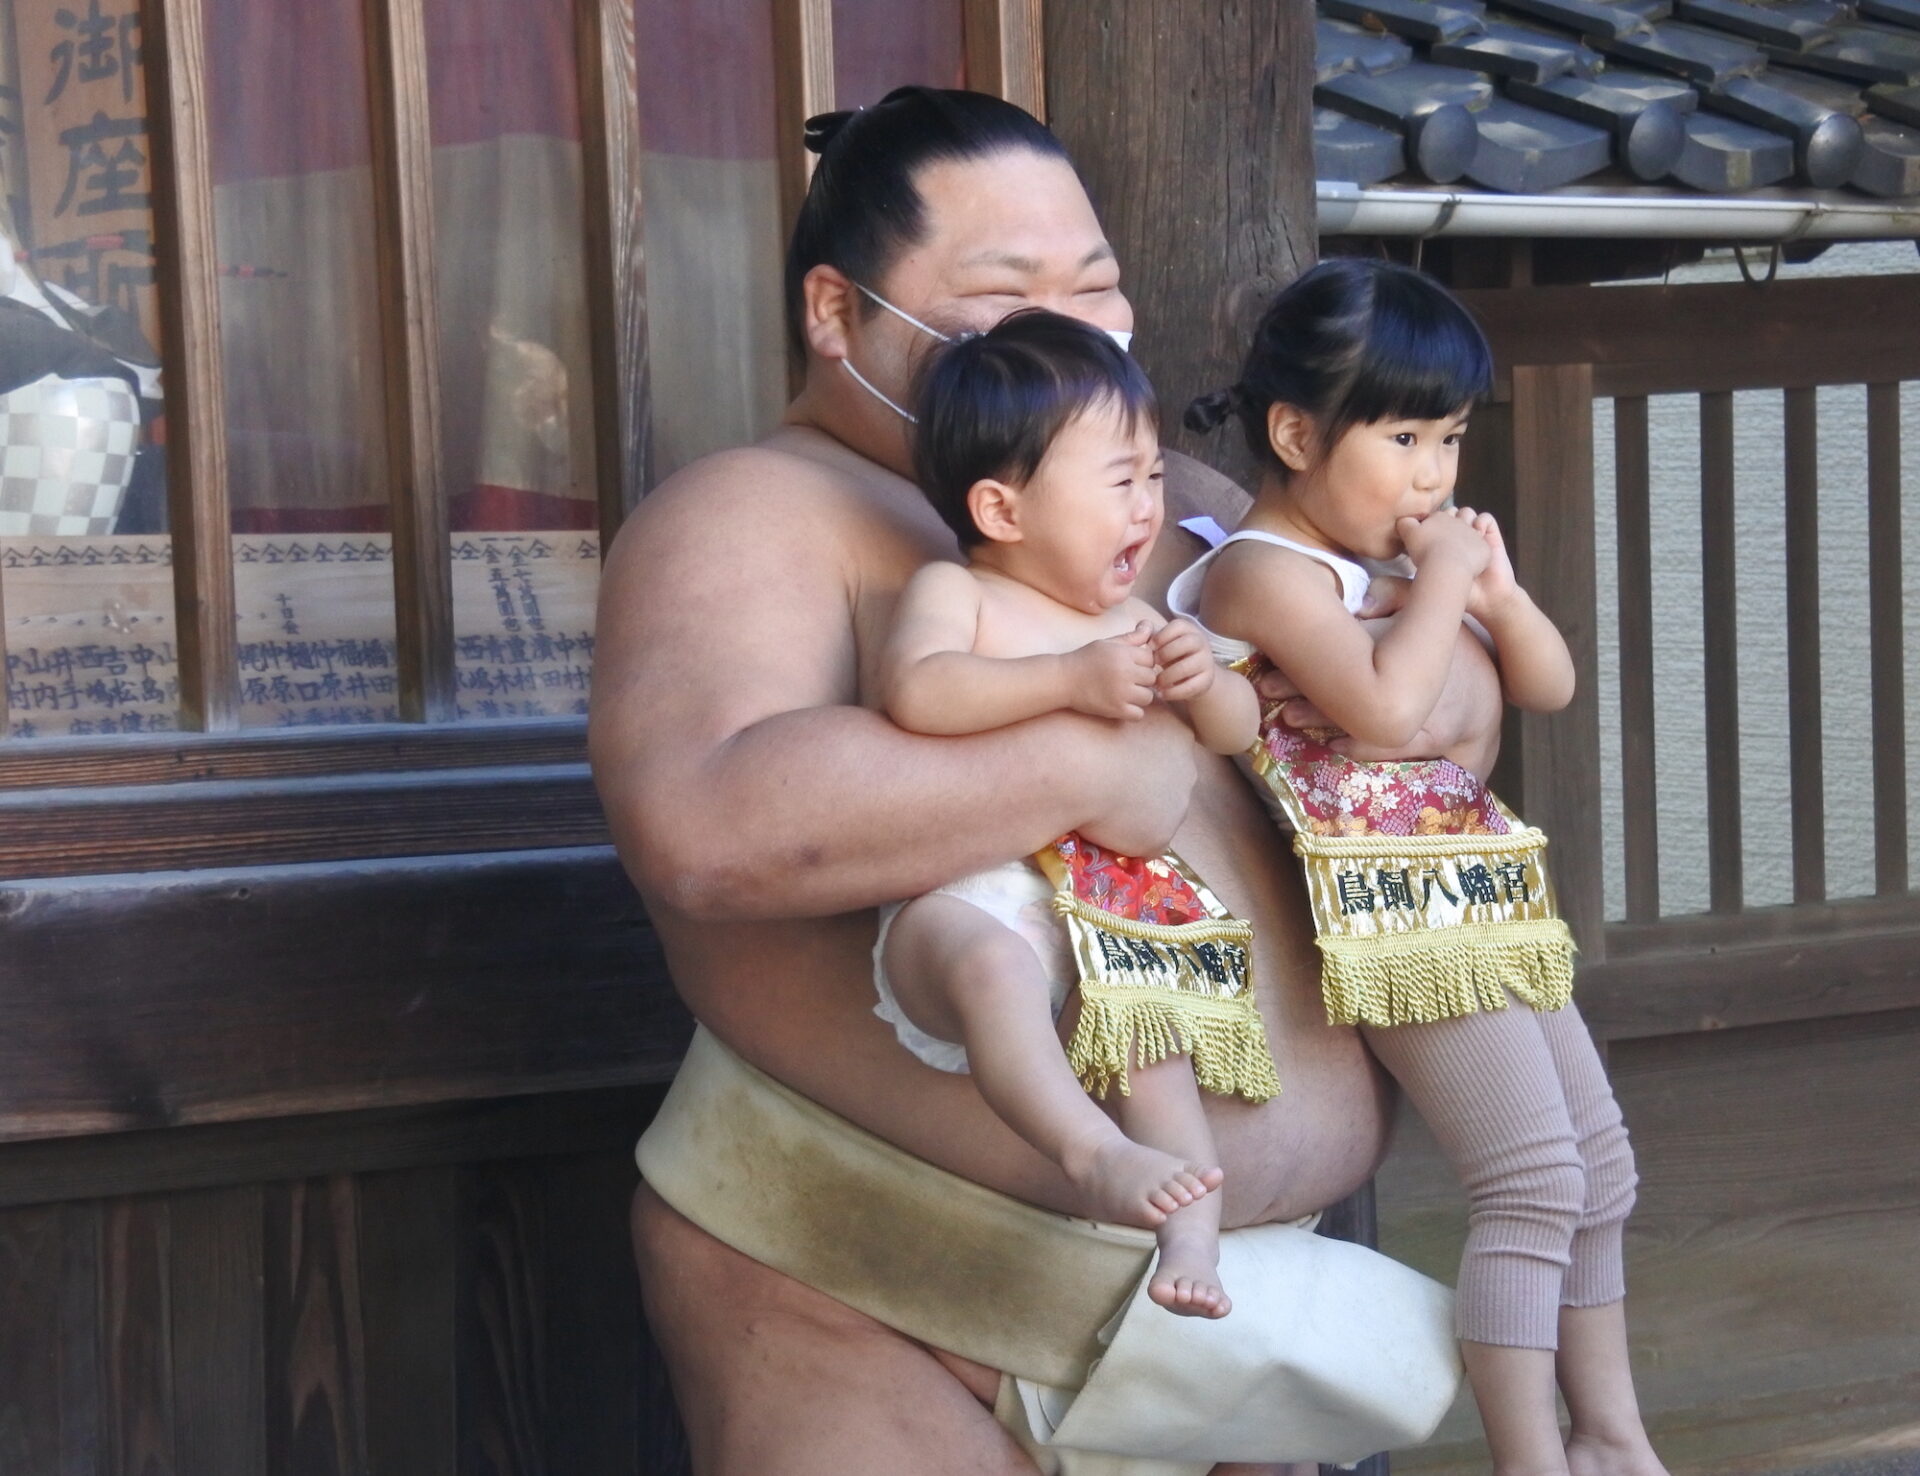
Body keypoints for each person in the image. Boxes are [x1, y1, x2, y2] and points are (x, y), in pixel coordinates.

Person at [590, 87, 1504, 1476]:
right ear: (840, 317)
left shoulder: (1183, 495)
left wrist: (1428, 683)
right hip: (880, 1314)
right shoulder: (761, 514)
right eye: (1004, 294)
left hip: (1246, 1333)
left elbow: (1451, 709)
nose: (1067, 327)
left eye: (1096, 286)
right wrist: (1090, 747)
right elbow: (714, 825)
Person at [1175, 257, 1666, 1476]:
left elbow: (1548, 682)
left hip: (1482, 882)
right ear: (1295, 432)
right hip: (1389, 908)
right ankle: (1532, 1460)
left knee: (1601, 1167)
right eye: (1403, 437)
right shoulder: (1258, 572)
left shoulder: (1392, 564)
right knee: (1533, 1179)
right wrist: (1444, 579)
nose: (1435, 475)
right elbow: (1384, 715)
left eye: (1447, 438)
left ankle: (1613, 1438)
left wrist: (1492, 587)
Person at [873, 310, 1267, 1320]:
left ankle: (1192, 1237)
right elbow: (919, 692)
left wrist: (1203, 679)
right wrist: (1066, 679)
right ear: (1004, 511)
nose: (1150, 503)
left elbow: (1235, 727)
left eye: (1153, 475)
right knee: (992, 968)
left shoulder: (1139, 618)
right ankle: (1087, 1150)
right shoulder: (955, 591)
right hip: (976, 890)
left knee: (1154, 1048)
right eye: (1120, 479)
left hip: (1108, 904)